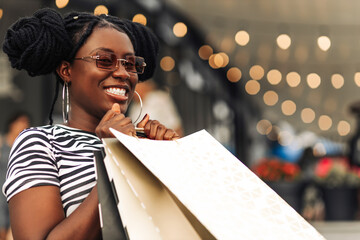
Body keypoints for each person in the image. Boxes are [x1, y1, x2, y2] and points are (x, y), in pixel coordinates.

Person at [2, 8, 179, 240]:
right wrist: (113, 159)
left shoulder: (146, 143)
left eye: (130, 63)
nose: (123, 73)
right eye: (105, 60)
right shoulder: (40, 144)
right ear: (66, 70)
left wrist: (174, 157)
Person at [0, 112, 30, 240]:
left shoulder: (27, 146)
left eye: (26, 123)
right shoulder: (2, 143)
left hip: (18, 194)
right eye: (21, 122)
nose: (24, 126)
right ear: (13, 124)